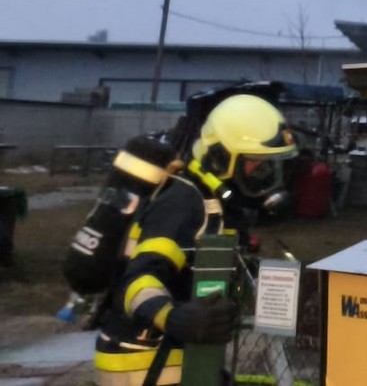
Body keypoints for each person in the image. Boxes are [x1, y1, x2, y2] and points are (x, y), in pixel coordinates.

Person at [93, 94, 297, 386]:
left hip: (180, 359)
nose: (265, 174)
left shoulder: (215, 204)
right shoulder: (185, 201)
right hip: (142, 362)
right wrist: (172, 316)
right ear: (221, 157)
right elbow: (137, 279)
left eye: (271, 165)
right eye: (257, 163)